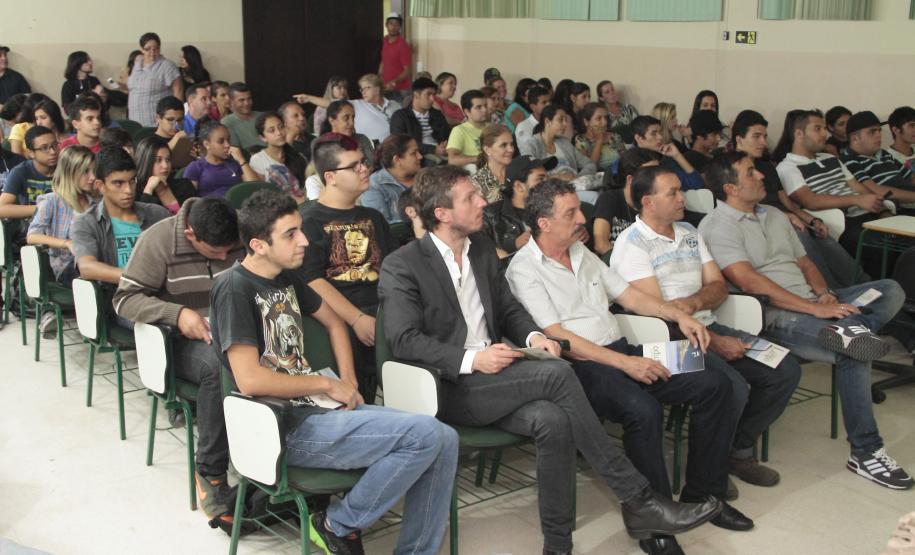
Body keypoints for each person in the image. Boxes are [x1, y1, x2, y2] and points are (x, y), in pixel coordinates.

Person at [378, 165, 722, 555]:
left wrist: (534, 336)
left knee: (554, 420)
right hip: (451, 385)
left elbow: (507, 309)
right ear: (441, 214)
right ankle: (639, 499)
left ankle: (558, 546)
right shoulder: (403, 263)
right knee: (559, 374)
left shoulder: (482, 249)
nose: (483, 202)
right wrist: (472, 359)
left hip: (500, 375)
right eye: (470, 198)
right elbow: (404, 341)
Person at [508, 178, 750, 553]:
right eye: (570, 212)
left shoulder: (581, 252)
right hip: (584, 367)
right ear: (543, 223)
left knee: (715, 380)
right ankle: (651, 520)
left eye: (579, 208)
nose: (581, 218)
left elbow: (632, 297)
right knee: (643, 409)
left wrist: (679, 316)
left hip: (624, 349)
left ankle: (704, 494)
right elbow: (558, 337)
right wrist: (627, 364)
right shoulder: (524, 269)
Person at [210, 189, 458, 554]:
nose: (305, 241)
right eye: (291, 234)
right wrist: (328, 383)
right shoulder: (234, 288)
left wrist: (349, 382)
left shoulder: (285, 276)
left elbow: (336, 324)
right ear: (258, 245)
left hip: (316, 409)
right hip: (280, 427)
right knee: (423, 437)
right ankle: (336, 523)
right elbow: (250, 380)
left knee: (446, 438)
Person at [700, 151, 913, 491]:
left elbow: (804, 262)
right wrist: (813, 310)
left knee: (889, 290)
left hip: (816, 303)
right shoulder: (716, 227)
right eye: (751, 173)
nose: (761, 177)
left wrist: (825, 294)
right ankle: (866, 451)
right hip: (777, 316)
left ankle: (849, 330)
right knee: (854, 350)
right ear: (731, 188)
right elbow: (749, 282)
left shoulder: (772, 214)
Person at [609, 166, 801, 494]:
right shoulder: (633, 244)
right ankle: (709, 469)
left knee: (785, 368)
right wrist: (716, 343)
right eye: (672, 192)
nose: (683, 197)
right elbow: (664, 319)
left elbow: (718, 286)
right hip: (664, 343)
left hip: (708, 325)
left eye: (680, 190)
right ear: (648, 202)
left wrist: (696, 302)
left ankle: (735, 451)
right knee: (732, 386)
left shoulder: (688, 231)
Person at [112, 195, 244, 523]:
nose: (227, 257)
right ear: (190, 235)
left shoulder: (239, 231)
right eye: (216, 253)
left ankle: (271, 462)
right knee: (220, 367)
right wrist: (177, 313)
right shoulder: (157, 240)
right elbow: (124, 300)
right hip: (181, 342)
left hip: (238, 331)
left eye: (231, 249)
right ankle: (210, 473)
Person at [299, 135, 399, 404]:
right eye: (354, 166)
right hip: (339, 317)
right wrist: (356, 319)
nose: (364, 169)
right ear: (330, 177)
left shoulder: (374, 218)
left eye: (364, 163)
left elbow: (390, 270)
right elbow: (311, 280)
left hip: (381, 312)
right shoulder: (310, 221)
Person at [730, 109, 863, 291]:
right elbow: (741, 205)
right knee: (801, 237)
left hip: (783, 217)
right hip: (761, 222)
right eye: (757, 136)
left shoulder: (766, 167)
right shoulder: (728, 168)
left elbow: (788, 203)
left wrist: (812, 219)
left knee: (821, 234)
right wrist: (785, 216)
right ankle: (830, 291)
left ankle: (862, 283)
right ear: (739, 140)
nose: (763, 142)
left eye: (764, 136)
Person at [772, 109, 889, 265]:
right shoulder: (787, 167)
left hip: (865, 212)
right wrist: (856, 200)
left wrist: (880, 207)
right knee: (886, 247)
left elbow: (857, 186)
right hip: (842, 222)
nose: (824, 134)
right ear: (799, 134)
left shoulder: (830, 158)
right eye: (817, 129)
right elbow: (810, 201)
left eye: (824, 129)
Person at [72, 146, 170, 286]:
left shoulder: (157, 214)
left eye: (132, 181)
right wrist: (139, 278)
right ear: (100, 185)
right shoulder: (87, 223)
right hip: (116, 297)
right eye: (118, 183)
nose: (128, 190)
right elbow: (87, 267)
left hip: (162, 294)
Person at [26, 146, 94, 288]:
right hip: (68, 266)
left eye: (94, 171)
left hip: (96, 259)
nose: (92, 177)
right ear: (70, 172)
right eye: (86, 172)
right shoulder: (53, 201)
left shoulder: (96, 201)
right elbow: (32, 236)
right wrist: (67, 243)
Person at [483, 154, 558, 258]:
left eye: (547, 178)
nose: (548, 184)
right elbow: (482, 255)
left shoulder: (553, 208)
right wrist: (513, 245)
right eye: (540, 179)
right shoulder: (491, 216)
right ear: (519, 186)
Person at [592, 147, 659, 256]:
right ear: (631, 180)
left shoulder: (657, 201)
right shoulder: (609, 199)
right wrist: (628, 266)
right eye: (650, 175)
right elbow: (600, 244)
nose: (658, 179)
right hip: (617, 264)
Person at [0, 126, 59, 242]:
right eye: (44, 148)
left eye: (54, 145)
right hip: (30, 234)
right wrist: (41, 209)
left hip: (61, 229)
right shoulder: (21, 171)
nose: (52, 152)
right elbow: (2, 208)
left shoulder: (65, 168)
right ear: (31, 153)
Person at [840, 111, 915, 201]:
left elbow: (910, 178)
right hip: (897, 208)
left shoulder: (883, 153)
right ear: (855, 139)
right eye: (872, 132)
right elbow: (875, 190)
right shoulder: (848, 159)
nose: (879, 135)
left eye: (879, 130)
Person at [183, 121, 258, 199]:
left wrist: (241, 160)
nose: (227, 145)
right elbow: (189, 200)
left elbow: (254, 188)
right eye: (221, 141)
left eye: (228, 140)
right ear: (207, 144)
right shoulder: (196, 167)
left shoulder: (236, 163)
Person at [520, 105, 596, 180]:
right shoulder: (531, 145)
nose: (565, 124)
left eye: (565, 120)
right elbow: (529, 174)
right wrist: (557, 177)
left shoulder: (565, 142)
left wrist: (577, 178)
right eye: (560, 120)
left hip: (574, 186)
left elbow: (590, 164)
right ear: (547, 121)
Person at [632, 115, 703, 190]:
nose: (660, 137)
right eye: (654, 133)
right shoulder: (629, 162)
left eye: (660, 132)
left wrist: (677, 156)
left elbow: (697, 184)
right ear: (638, 138)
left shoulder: (664, 158)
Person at [127, 32, 183, 127]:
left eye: (156, 48)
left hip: (155, 123)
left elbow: (178, 92)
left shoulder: (167, 66)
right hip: (135, 122)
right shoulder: (137, 63)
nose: (152, 52)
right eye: (148, 49)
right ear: (141, 49)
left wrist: (176, 120)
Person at [250, 111, 307, 203]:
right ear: (263, 138)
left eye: (281, 127)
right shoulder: (258, 160)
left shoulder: (298, 157)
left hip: (305, 204)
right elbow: (261, 194)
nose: (279, 133)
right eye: (272, 130)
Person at [364, 134, 422, 222]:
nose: (420, 156)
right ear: (397, 160)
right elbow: (380, 224)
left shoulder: (426, 177)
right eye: (414, 153)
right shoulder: (374, 185)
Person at [389, 77, 449, 160]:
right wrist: (433, 149)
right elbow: (400, 143)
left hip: (443, 154)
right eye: (428, 94)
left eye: (433, 95)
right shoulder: (400, 116)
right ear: (416, 94)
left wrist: (446, 145)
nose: (432, 99)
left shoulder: (437, 115)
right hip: (418, 157)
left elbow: (448, 136)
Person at [134, 135, 197, 214]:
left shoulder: (184, 185)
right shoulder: (134, 192)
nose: (165, 165)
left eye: (168, 160)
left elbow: (197, 217)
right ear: (145, 162)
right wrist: (148, 191)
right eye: (158, 160)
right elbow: (144, 221)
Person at [574, 102, 627, 173]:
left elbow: (626, 160)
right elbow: (590, 167)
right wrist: (599, 141)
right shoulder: (581, 141)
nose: (604, 122)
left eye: (605, 118)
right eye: (599, 118)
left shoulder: (614, 136)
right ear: (586, 122)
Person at [471, 124, 514, 203]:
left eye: (511, 144)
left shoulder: (520, 171)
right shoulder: (477, 182)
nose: (511, 149)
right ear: (488, 150)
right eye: (503, 145)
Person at [350, 74, 399, 144]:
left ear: (378, 89)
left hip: (397, 147)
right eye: (362, 89)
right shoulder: (357, 104)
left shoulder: (395, 105)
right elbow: (334, 104)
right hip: (370, 150)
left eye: (367, 88)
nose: (363, 92)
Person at [446, 90, 488, 167]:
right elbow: (452, 160)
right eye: (479, 107)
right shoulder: (459, 130)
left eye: (485, 106)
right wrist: (480, 158)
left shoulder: (493, 128)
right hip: (475, 171)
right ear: (467, 111)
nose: (484, 110)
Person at [378, 12, 412, 99]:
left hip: (400, 90)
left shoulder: (402, 45)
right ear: (386, 25)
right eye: (391, 24)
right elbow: (384, 60)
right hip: (386, 88)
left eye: (397, 24)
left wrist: (393, 82)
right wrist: (379, 76)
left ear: (400, 27)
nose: (394, 27)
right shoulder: (385, 40)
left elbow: (407, 71)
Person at [220, 82, 263, 150]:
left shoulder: (263, 117)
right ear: (231, 101)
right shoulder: (227, 122)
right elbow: (235, 149)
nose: (246, 103)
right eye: (241, 100)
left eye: (249, 99)